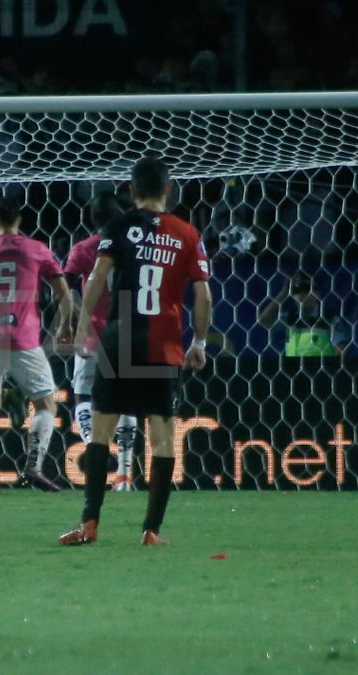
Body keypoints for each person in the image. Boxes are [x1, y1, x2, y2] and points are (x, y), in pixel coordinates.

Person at [60, 156, 212, 546]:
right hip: (163, 346)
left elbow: (96, 277)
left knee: (101, 431)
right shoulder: (186, 233)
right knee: (161, 437)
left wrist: (79, 329)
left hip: (119, 341)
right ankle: (151, 531)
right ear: (169, 190)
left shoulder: (119, 226)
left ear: (131, 191)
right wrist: (199, 342)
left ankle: (90, 523)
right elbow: (203, 294)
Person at [0, 197, 74, 493]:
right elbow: (64, 292)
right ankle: (33, 468)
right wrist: (64, 324)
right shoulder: (36, 249)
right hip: (22, 338)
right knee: (46, 403)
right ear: (19, 222)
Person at [65, 192, 140, 491]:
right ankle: (124, 474)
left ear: (92, 219)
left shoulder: (83, 249)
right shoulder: (134, 247)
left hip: (92, 334)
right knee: (127, 404)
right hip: (128, 332)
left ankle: (95, 448)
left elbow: (65, 286)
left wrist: (70, 320)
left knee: (84, 398)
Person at [257, 272, 345, 357]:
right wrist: (283, 293)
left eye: (306, 288)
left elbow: (340, 348)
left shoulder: (330, 319)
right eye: (296, 289)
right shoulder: (288, 318)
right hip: (291, 370)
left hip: (319, 370)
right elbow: (263, 321)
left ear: (317, 294)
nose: (301, 293)